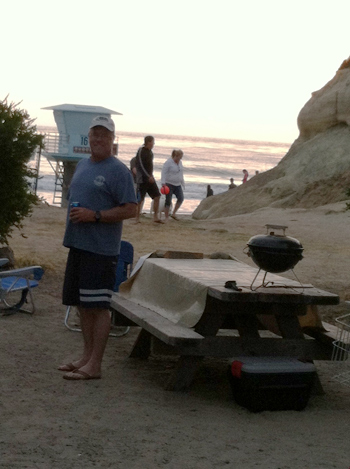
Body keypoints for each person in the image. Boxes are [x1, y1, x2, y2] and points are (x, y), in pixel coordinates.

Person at [59, 115, 137, 380]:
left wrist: (96, 215)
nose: (98, 139)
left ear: (112, 140)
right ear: (89, 137)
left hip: (101, 250)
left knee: (98, 306)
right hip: (78, 246)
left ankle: (95, 365)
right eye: (95, 134)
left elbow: (131, 208)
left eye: (104, 134)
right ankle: (86, 356)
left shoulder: (118, 171)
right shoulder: (82, 165)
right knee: (82, 304)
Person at [134, 135, 163, 223]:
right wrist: (147, 176)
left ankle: (155, 217)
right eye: (152, 142)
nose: (153, 144)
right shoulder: (141, 151)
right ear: (148, 142)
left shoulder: (151, 153)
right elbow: (140, 166)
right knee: (140, 199)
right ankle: (137, 218)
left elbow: (150, 167)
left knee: (157, 196)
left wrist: (151, 176)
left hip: (150, 178)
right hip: (142, 179)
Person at [160, 149, 185, 221]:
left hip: (177, 184)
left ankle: (174, 213)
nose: (179, 159)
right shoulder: (168, 162)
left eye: (180, 158)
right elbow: (163, 172)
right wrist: (163, 183)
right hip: (169, 184)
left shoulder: (180, 163)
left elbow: (181, 173)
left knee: (181, 198)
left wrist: (182, 182)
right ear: (175, 156)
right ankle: (166, 216)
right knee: (168, 200)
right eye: (178, 158)